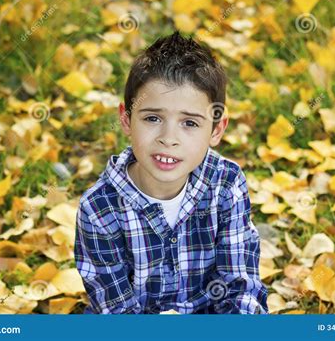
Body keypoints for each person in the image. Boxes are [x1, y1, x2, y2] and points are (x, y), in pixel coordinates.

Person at [74, 31, 268, 314]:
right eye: (153, 118)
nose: (168, 138)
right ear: (126, 119)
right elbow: (116, 308)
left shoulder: (226, 184)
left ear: (216, 129)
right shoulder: (99, 209)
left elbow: (240, 285)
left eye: (189, 123)